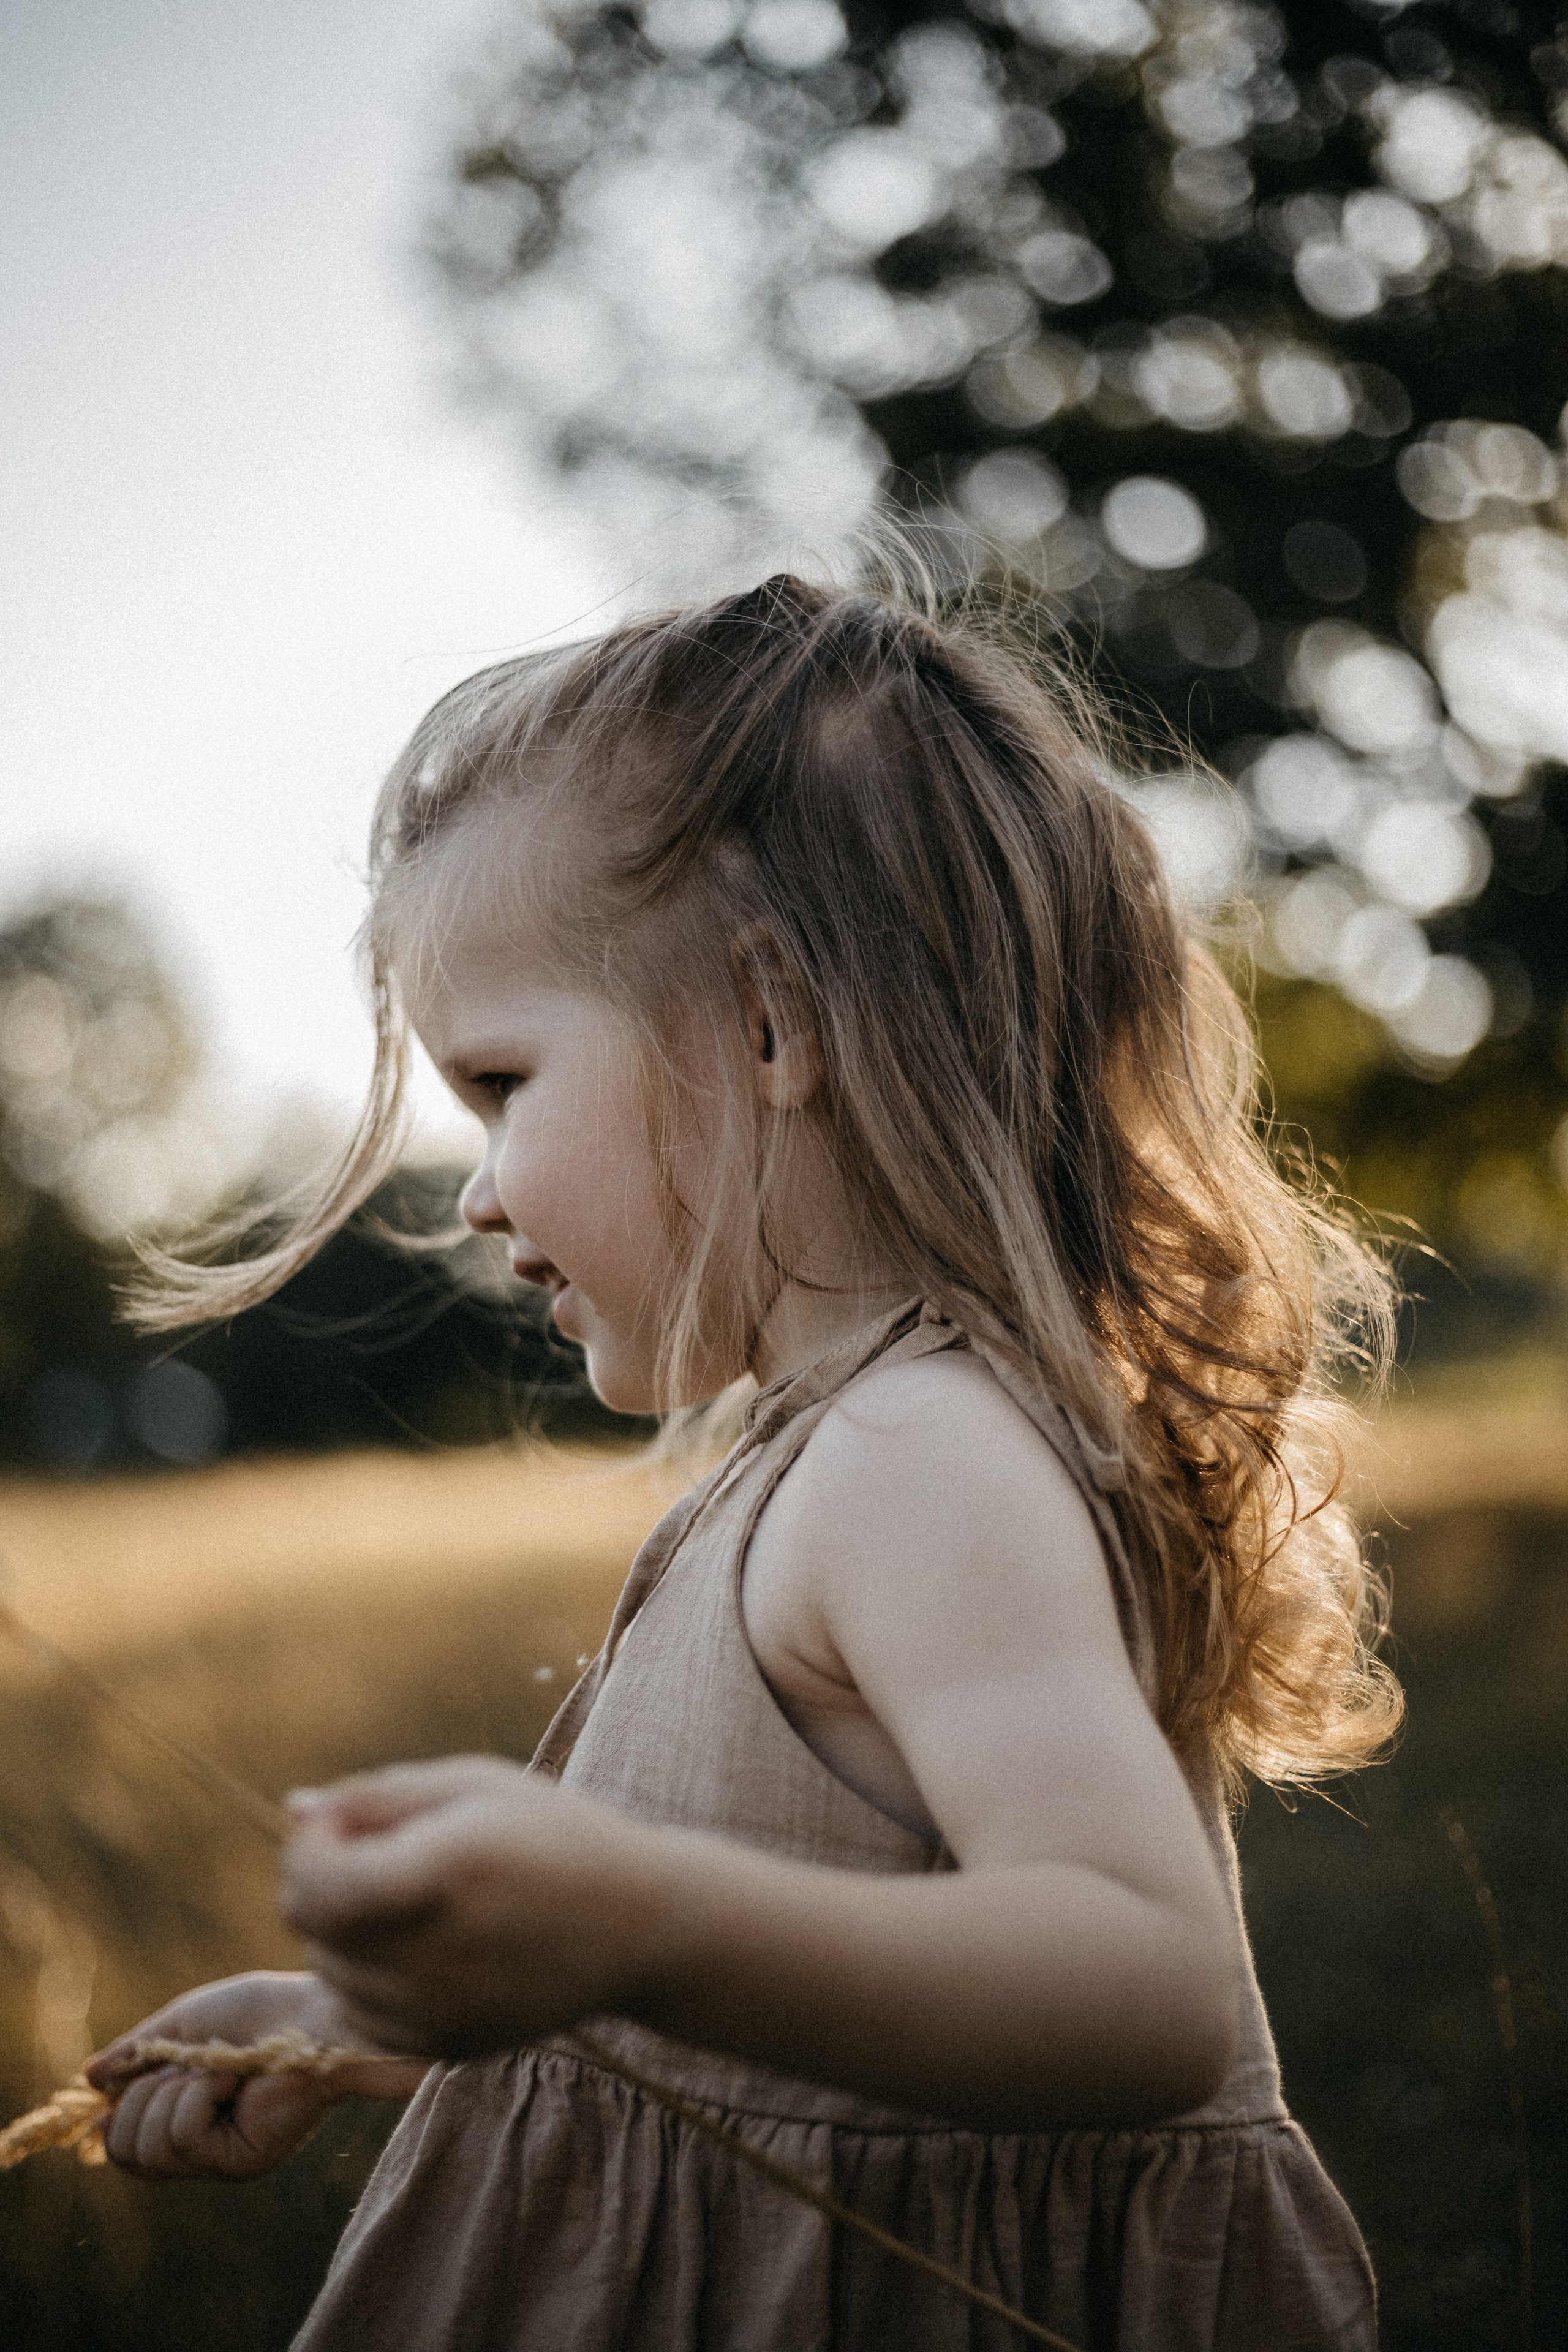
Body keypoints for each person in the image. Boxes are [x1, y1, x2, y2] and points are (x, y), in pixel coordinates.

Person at [88, 573, 1399, 2349]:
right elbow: (820, 2013)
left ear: (772, 1023)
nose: (472, 1192)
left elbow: (1141, 1985)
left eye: (498, 1080)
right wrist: (361, 2023)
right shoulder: (837, 1445)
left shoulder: (919, 1454)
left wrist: (631, 1923)